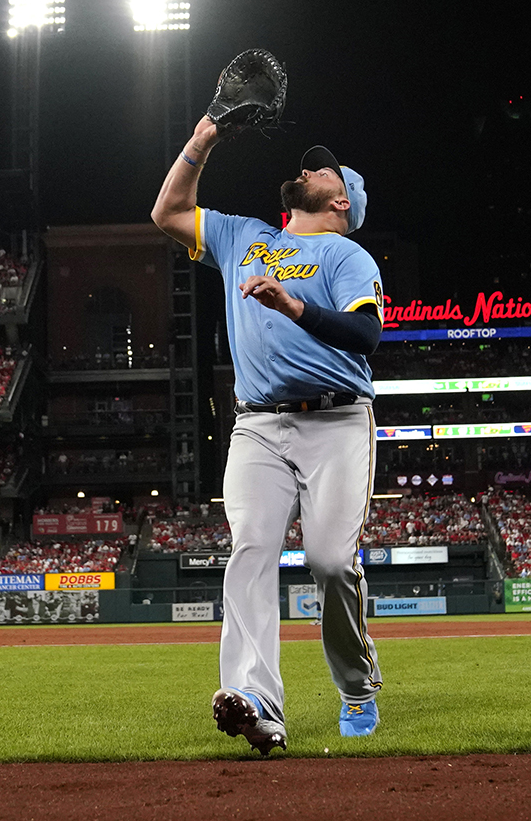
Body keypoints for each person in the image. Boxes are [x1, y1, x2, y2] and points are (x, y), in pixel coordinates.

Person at [153, 118, 386, 752]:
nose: (309, 169)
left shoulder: (347, 255)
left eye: (324, 169)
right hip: (257, 425)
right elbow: (168, 211)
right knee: (251, 549)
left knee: (331, 563)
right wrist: (205, 136)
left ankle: (358, 684)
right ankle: (257, 700)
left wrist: (294, 307)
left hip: (337, 422)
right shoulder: (243, 237)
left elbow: (367, 337)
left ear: (341, 200)